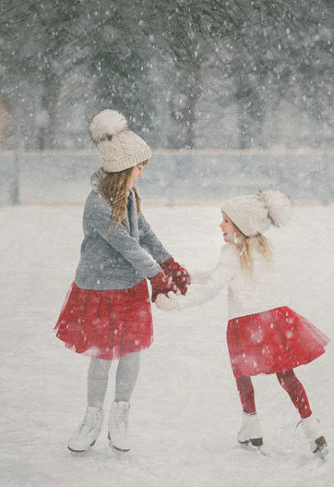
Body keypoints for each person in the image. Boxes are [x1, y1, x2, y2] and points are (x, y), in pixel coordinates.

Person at [54, 109, 190, 454]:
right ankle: (93, 417)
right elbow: (129, 247)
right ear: (121, 171)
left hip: (130, 287)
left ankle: (120, 416)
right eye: (138, 168)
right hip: (100, 289)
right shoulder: (98, 205)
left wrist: (169, 263)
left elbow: (143, 232)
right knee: (102, 355)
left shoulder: (126, 197)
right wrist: (159, 279)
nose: (141, 174)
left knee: (131, 351)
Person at [155, 190, 329, 457]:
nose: (220, 225)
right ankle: (312, 428)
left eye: (226, 220)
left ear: (242, 225)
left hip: (244, 325)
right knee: (286, 375)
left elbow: (214, 287)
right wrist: (186, 277)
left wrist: (178, 303)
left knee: (243, 376)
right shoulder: (262, 249)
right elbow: (218, 277)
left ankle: (253, 427)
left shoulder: (231, 252)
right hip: (273, 320)